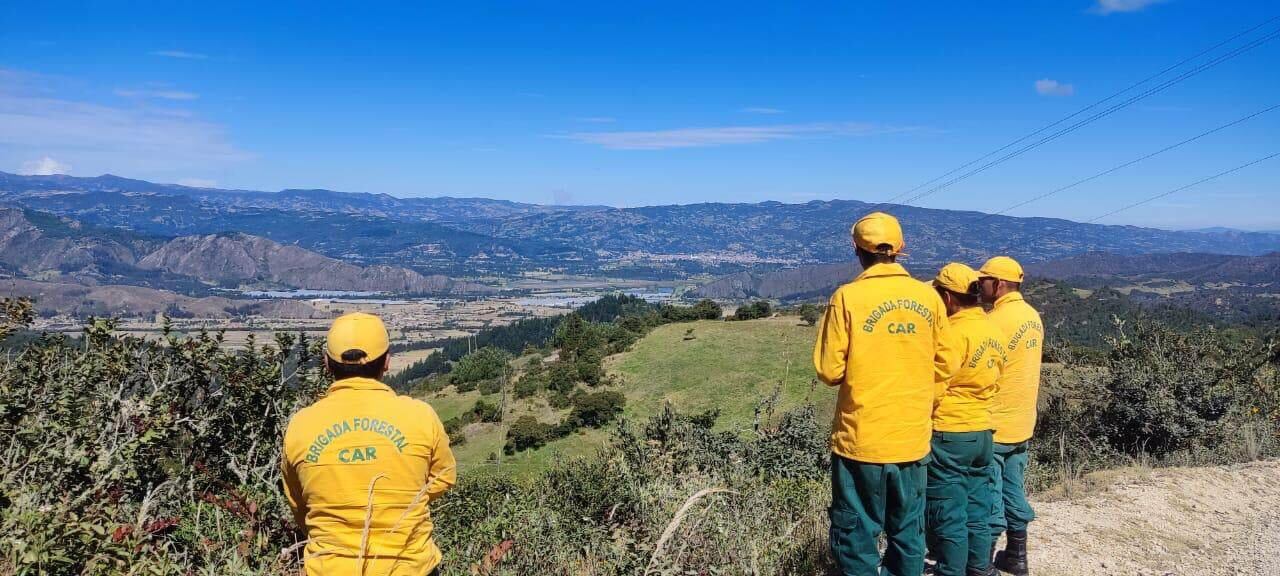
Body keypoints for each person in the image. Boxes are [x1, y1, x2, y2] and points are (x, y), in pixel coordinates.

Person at [814, 212, 959, 576]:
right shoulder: (928, 298)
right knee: (909, 533)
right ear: (900, 249)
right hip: (912, 439)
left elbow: (829, 371)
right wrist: (919, 390)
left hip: (861, 440)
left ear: (856, 249)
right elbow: (948, 362)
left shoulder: (847, 298)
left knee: (857, 534)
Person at [282, 312, 456, 576]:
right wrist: (403, 498)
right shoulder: (421, 416)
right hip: (411, 568)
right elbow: (444, 478)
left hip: (330, 569)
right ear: (386, 362)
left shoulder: (300, 426)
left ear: (327, 364)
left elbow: (298, 502)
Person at [926, 263, 1006, 576]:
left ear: (947, 298)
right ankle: (979, 568)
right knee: (977, 508)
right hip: (983, 431)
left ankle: (951, 571)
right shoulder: (993, 330)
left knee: (949, 514)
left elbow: (936, 385)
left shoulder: (952, 334)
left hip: (950, 432)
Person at [977, 256, 1043, 576]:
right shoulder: (1032, 316)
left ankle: (982, 565)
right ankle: (1017, 556)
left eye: (984, 280)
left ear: (999, 284)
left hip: (996, 424)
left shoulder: (994, 322)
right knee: (1014, 488)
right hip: (1023, 422)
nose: (979, 285)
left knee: (989, 494)